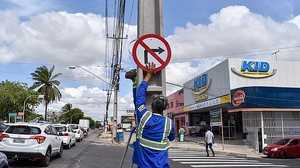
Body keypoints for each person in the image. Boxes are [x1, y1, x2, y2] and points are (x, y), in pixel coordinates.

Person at [125, 62, 175, 168]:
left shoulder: (144, 117)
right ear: (165, 108)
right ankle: (134, 81)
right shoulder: (169, 123)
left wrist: (148, 75)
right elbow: (171, 138)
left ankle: (135, 81)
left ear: (151, 106)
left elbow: (139, 97)